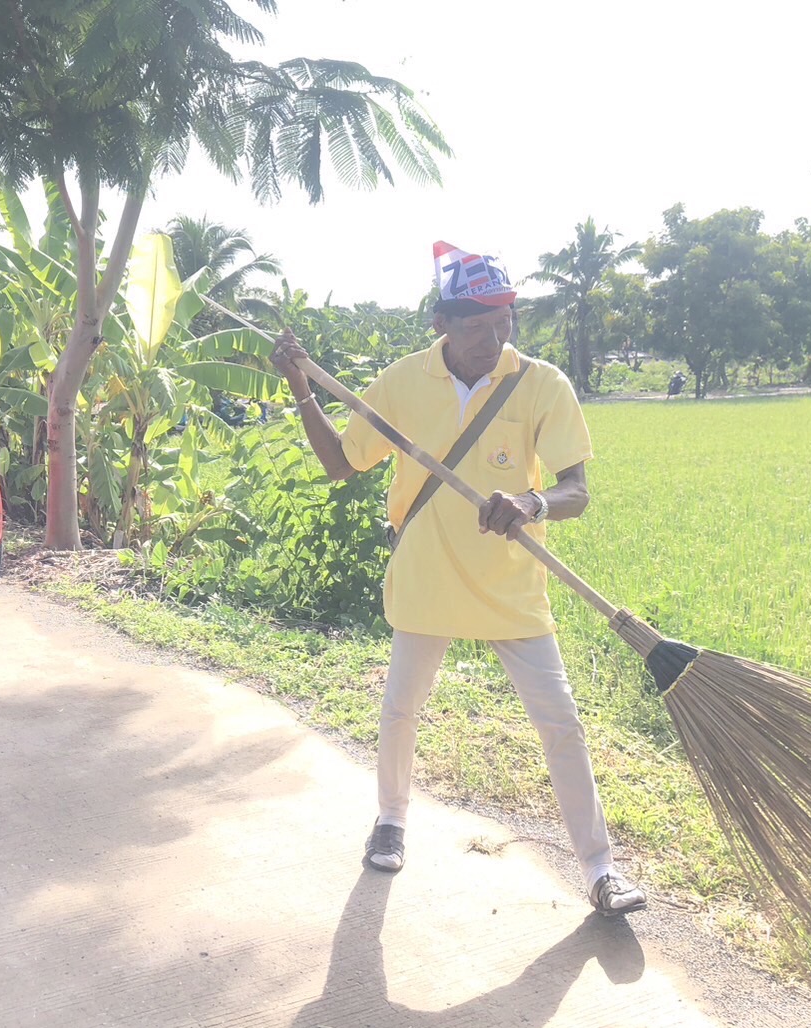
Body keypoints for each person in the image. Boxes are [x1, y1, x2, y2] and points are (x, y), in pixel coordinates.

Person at [269, 241, 646, 917]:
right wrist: (300, 387)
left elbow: (575, 491)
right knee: (400, 710)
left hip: (510, 584)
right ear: (440, 322)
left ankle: (597, 869)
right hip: (425, 575)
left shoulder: (539, 383)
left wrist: (530, 505)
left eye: (504, 319)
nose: (493, 336)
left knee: (560, 722)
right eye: (476, 324)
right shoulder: (401, 381)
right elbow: (339, 463)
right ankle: (390, 819)